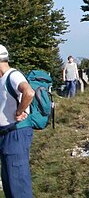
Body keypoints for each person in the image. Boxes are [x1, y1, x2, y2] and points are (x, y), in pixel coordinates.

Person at [0, 44, 35, 198]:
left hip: (16, 133)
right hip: (6, 134)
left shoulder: (13, 76)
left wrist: (20, 111)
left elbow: (29, 92)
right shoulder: (2, 78)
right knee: (9, 184)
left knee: (18, 185)